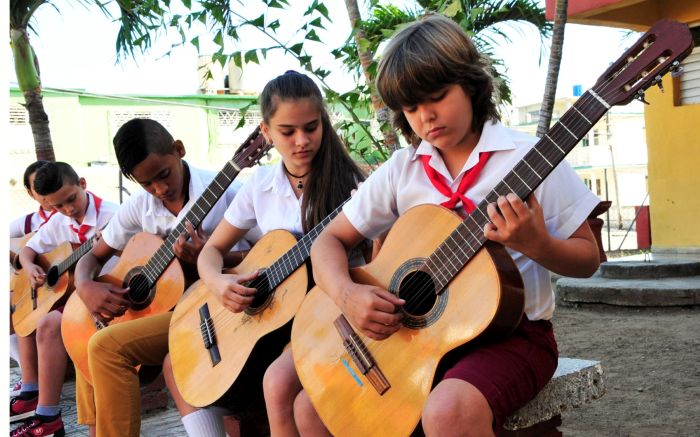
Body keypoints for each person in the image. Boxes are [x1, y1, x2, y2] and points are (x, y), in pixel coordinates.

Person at [299, 14, 601, 436]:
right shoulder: (402, 170)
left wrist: (537, 243)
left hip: (513, 337)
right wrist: (347, 294)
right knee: (312, 406)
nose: (426, 117)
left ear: (472, 85)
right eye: (411, 107)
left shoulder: (530, 159)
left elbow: (589, 259)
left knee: (447, 411)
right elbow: (327, 240)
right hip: (415, 339)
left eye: (437, 96)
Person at [162, 70, 365, 437]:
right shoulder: (260, 185)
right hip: (272, 318)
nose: (301, 141)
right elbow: (212, 251)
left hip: (327, 309)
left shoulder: (351, 186)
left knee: (277, 383)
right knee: (176, 363)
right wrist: (218, 281)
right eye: (287, 132)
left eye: (311, 127)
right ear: (267, 133)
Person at [71, 118, 249, 437]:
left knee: (105, 346)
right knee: (85, 338)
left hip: (212, 308)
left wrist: (214, 254)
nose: (160, 189)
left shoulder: (227, 192)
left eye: (164, 175)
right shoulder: (140, 206)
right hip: (166, 312)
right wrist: (84, 286)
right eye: (147, 184)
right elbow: (91, 258)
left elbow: (270, 251)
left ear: (178, 150)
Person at [11, 162, 119, 437]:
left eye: (71, 199)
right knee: (34, 318)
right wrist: (31, 266)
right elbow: (28, 250)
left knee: (48, 324)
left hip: (106, 295)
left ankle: (46, 416)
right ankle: (44, 412)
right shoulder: (60, 221)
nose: (69, 210)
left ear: (82, 184)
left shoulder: (113, 216)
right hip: (74, 298)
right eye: (58, 206)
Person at [9, 160, 55, 391]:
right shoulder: (27, 223)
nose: (48, 191)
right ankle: (27, 376)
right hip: (38, 288)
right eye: (40, 186)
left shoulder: (68, 218)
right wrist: (19, 257)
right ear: (30, 192)